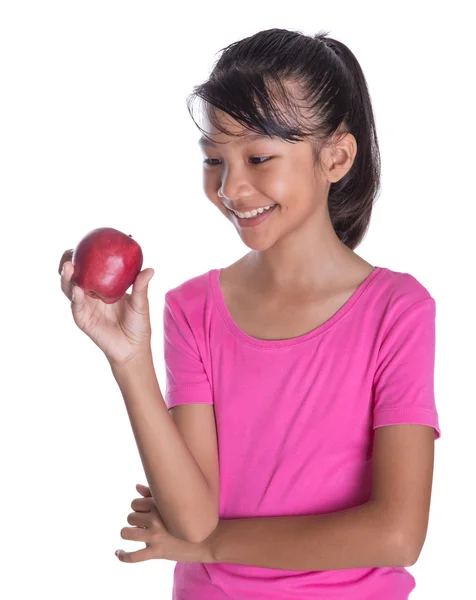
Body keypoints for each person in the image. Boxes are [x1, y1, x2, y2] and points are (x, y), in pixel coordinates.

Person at [59, 28, 440, 600]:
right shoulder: (190, 310)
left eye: (258, 157)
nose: (231, 186)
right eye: (215, 159)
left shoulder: (398, 311)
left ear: (335, 157)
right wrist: (129, 362)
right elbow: (190, 519)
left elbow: (395, 534)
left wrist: (213, 546)